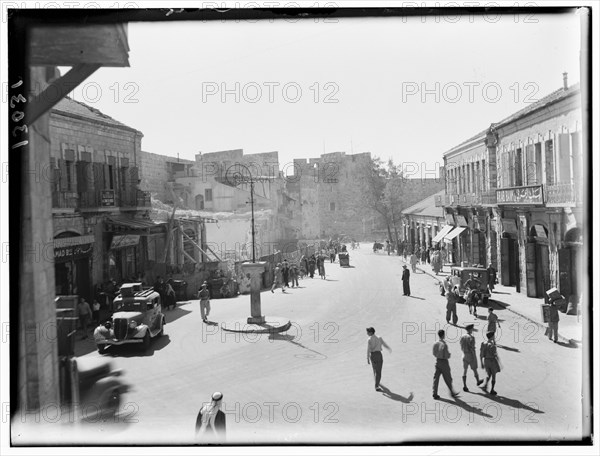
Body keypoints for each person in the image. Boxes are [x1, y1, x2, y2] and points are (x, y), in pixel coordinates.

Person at [432, 329, 459, 400]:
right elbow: (446, 355)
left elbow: (434, 353)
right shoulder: (444, 344)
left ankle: (434, 393)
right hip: (444, 362)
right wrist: (449, 355)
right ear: (443, 335)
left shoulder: (435, 343)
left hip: (437, 361)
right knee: (448, 378)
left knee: (436, 378)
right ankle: (452, 392)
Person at [459, 324, 484, 392]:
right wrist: (474, 356)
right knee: (474, 368)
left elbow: (460, 344)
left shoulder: (462, 336)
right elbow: (472, 347)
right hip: (470, 355)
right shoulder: (472, 337)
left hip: (464, 354)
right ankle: (478, 380)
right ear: (470, 329)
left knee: (465, 370)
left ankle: (465, 385)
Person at [366, 327, 392, 392]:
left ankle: (376, 381)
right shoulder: (379, 337)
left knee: (374, 369)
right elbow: (384, 344)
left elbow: (368, 349)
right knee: (379, 371)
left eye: (368, 332)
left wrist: (368, 358)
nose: (367, 333)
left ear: (371, 332)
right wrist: (388, 348)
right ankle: (376, 386)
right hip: (378, 355)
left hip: (372, 355)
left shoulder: (369, 339)